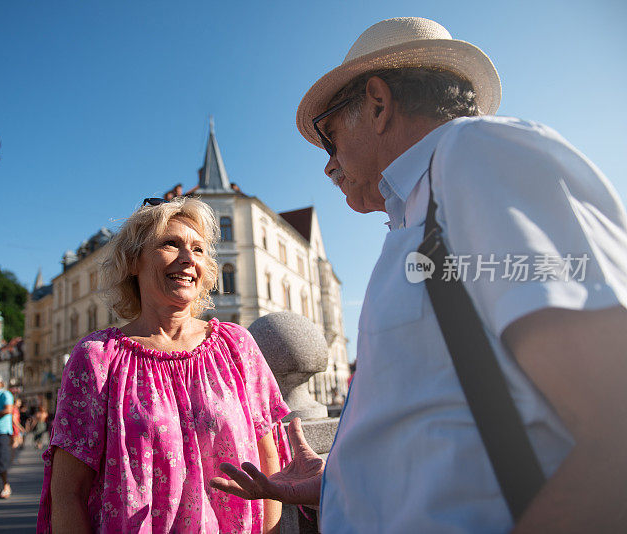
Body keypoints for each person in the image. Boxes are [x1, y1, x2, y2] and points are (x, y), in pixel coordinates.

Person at [211, 16, 627, 533]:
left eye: (330, 133)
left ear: (379, 103)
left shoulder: (476, 155)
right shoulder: (421, 211)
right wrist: (342, 481)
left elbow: (616, 424)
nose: (328, 161)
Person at [37, 196, 289, 533]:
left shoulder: (236, 344)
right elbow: (68, 492)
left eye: (199, 250)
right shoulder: (97, 357)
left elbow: (268, 464)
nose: (188, 259)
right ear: (133, 261)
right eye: (171, 244)